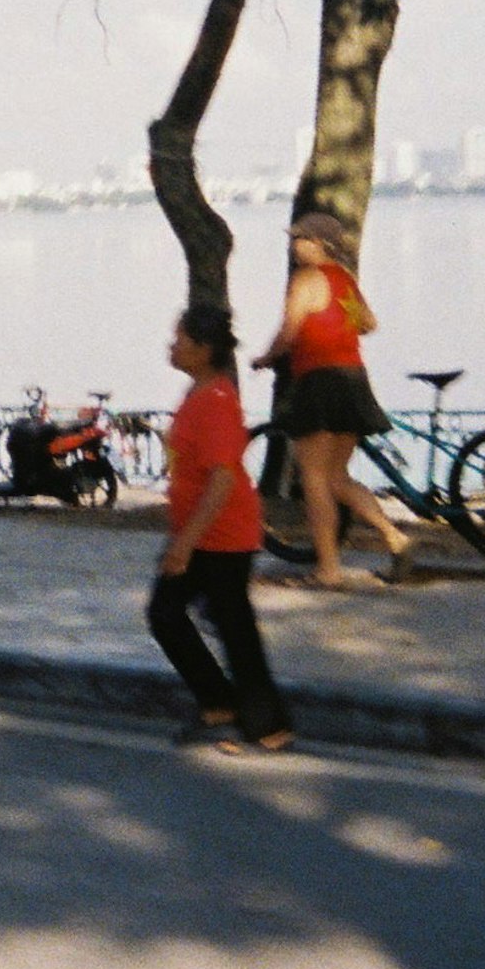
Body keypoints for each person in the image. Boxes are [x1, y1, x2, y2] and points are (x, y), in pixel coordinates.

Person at [148, 303, 293, 755]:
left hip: (221, 535)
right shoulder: (201, 392)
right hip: (201, 531)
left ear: (203, 349)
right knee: (175, 615)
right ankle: (220, 704)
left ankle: (263, 721)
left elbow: (224, 477)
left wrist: (185, 543)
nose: (172, 346)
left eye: (180, 340)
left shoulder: (215, 401)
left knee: (227, 624)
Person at [252, 209, 412, 588]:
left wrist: (265, 358)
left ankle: (328, 570)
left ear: (319, 244)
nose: (293, 245)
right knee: (336, 476)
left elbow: (289, 333)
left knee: (314, 479)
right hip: (353, 381)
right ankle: (394, 536)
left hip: (319, 382)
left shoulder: (305, 280)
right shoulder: (344, 279)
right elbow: (368, 323)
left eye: (299, 239)